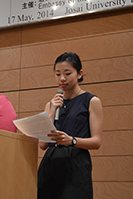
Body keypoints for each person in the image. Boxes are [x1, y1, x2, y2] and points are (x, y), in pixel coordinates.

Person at [38, 52, 103, 199]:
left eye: (67, 73)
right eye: (57, 74)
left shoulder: (91, 101)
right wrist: (52, 110)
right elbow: (42, 144)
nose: (62, 78)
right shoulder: (51, 104)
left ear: (79, 74)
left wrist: (72, 140)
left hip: (76, 162)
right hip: (51, 162)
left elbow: (96, 142)